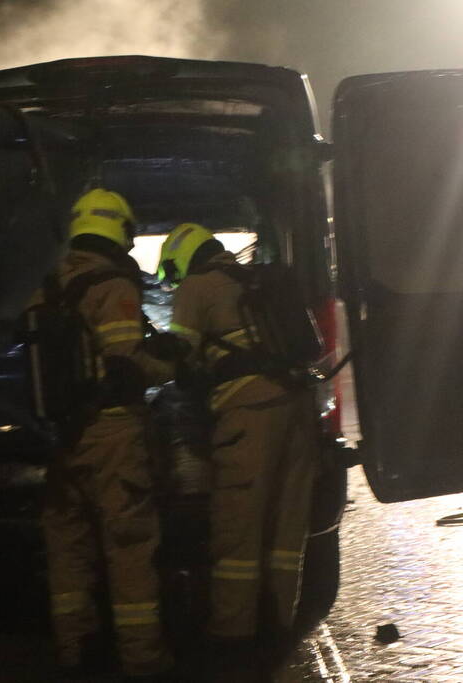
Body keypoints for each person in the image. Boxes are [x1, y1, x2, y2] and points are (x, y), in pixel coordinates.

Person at [158, 223, 320, 677]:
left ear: (183, 258)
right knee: (287, 527)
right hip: (299, 408)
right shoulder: (252, 279)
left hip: (249, 413)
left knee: (238, 527)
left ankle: (233, 636)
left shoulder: (196, 285)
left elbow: (179, 356)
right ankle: (279, 625)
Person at [39, 188, 179, 681]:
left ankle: (75, 650)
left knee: (67, 545)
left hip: (64, 433)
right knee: (130, 545)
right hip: (113, 432)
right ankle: (142, 660)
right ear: (120, 230)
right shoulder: (112, 285)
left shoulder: (54, 280)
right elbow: (126, 364)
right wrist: (171, 365)